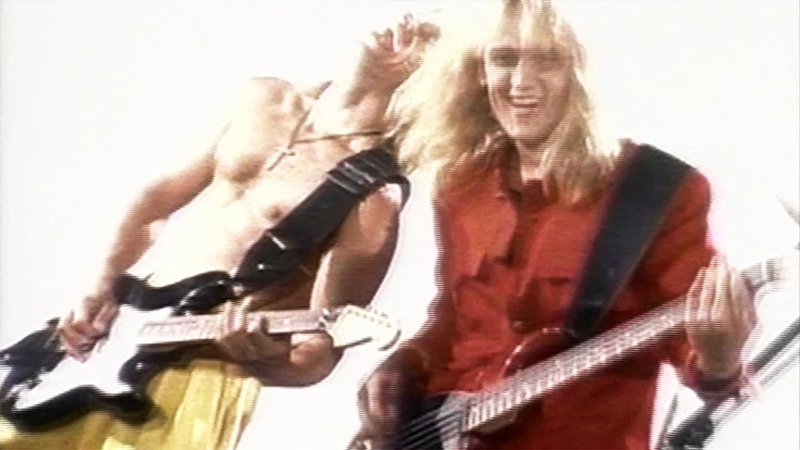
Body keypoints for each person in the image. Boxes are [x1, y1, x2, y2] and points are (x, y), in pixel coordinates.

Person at [0, 13, 439, 450]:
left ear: (434, 82)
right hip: (102, 343)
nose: (408, 23)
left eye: (428, 35)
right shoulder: (265, 98)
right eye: (416, 14)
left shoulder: (374, 196)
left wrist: (265, 360)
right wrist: (100, 288)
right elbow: (155, 202)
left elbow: (316, 355)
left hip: (191, 385)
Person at [357, 1, 757, 449]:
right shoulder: (461, 183)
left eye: (546, 60)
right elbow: (454, 319)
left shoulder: (656, 190)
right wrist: (405, 365)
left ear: (584, 72)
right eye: (504, 58)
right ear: (478, 70)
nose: (520, 83)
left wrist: (720, 359)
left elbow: (696, 352)